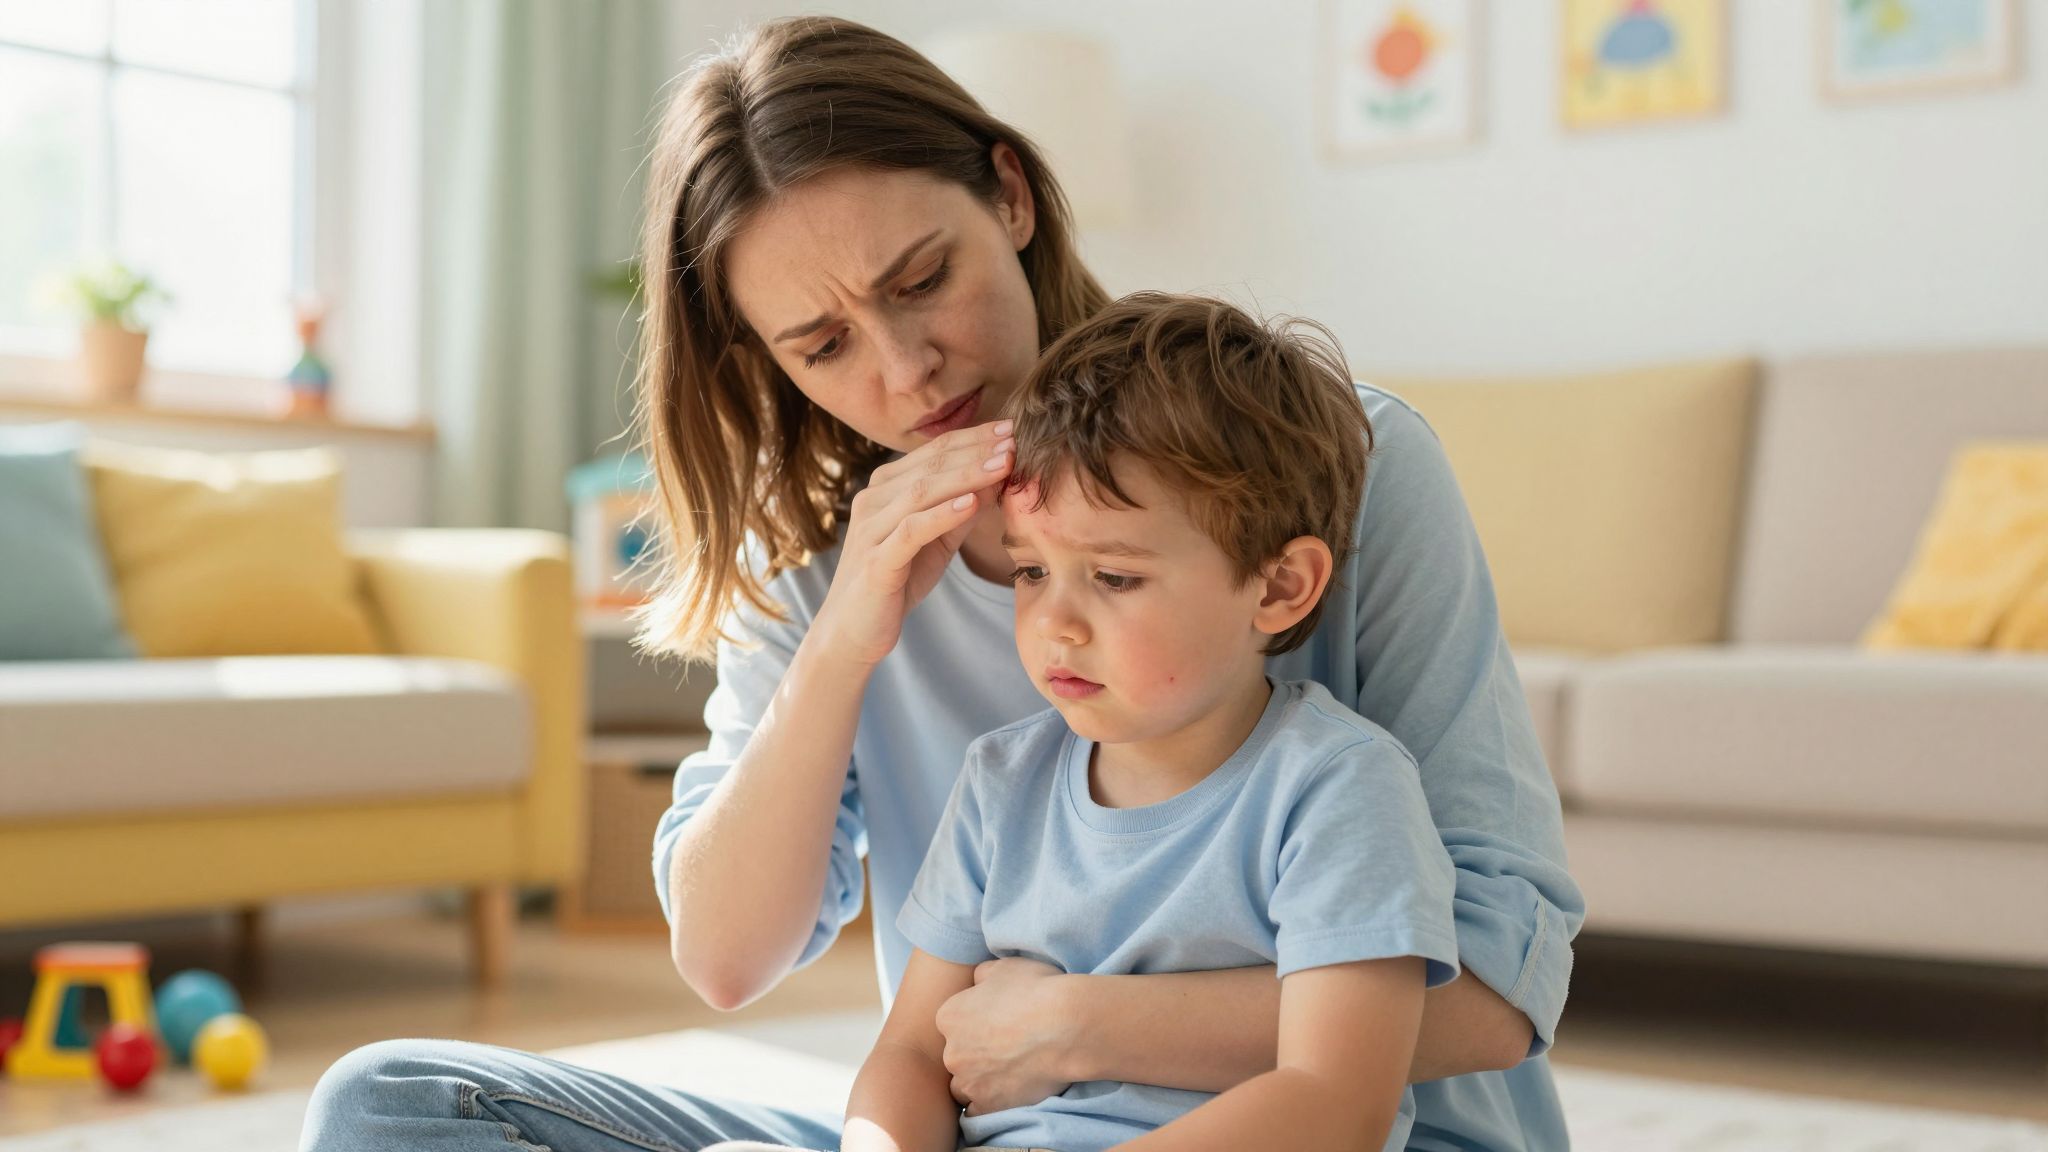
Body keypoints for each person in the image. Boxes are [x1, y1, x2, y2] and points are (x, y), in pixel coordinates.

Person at [299, 15, 1583, 1152]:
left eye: (922, 281)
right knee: (393, 1107)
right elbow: (729, 961)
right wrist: (846, 637)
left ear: (1009, 198)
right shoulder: (821, 578)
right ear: (766, 362)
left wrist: (1081, 1026)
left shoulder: (1335, 464)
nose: (906, 370)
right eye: (822, 345)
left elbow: (1496, 993)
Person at [718, 291, 1464, 1152]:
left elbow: (1336, 1103)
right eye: (1033, 572)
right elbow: (913, 1056)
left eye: (1113, 578)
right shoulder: (1002, 781)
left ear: (1280, 586)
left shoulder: (1339, 786)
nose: (1055, 624)